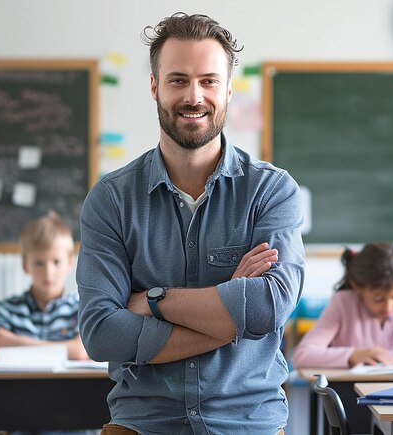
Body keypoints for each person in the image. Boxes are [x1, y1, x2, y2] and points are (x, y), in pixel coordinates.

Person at [76, 12, 305, 435]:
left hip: (248, 422)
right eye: (178, 79)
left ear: (229, 90)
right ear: (154, 87)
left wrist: (154, 300)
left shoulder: (272, 192)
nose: (194, 95)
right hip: (142, 423)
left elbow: (265, 308)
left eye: (209, 80)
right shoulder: (110, 199)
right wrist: (228, 314)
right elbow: (101, 333)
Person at [291, 242, 393, 370]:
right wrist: (352, 355)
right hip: (350, 394)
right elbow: (302, 355)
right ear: (358, 287)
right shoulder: (342, 302)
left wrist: (376, 357)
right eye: (378, 298)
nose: (389, 307)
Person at [0, 211, 88, 362]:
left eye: (56, 262)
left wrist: (13, 340)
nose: (48, 272)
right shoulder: (9, 308)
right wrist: (66, 347)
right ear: (25, 265)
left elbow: (81, 352)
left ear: (69, 263)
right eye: (39, 263)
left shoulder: (80, 308)